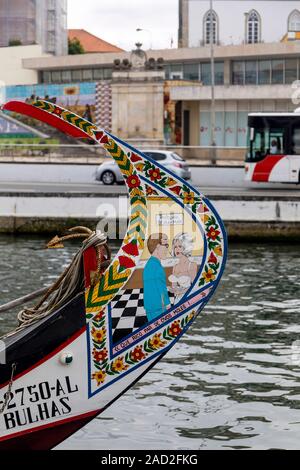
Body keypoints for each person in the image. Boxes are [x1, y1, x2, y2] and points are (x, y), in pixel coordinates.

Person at [143, 233, 171, 322]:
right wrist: (168, 304)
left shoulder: (149, 265)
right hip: (159, 308)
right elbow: (161, 288)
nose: (167, 249)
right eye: (166, 245)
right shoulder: (156, 267)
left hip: (150, 306)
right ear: (158, 246)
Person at [169, 233, 197, 303]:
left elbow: (194, 287)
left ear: (186, 247)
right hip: (177, 299)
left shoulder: (192, 265)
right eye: (175, 247)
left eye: (180, 246)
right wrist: (173, 290)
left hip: (188, 299)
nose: (177, 249)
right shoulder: (175, 266)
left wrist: (181, 291)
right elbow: (174, 286)